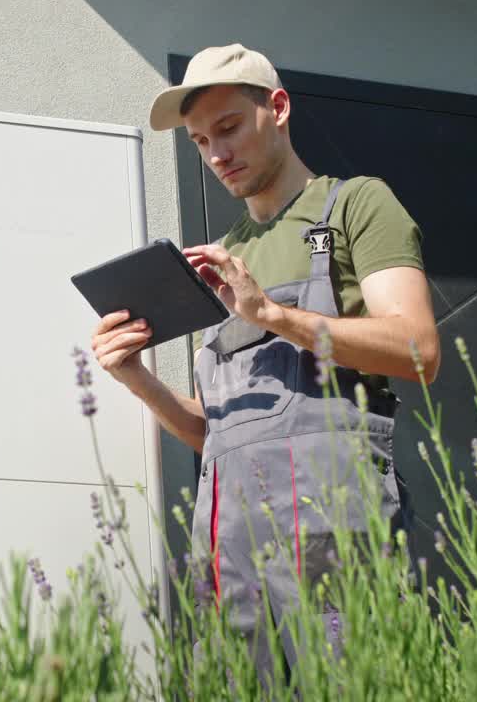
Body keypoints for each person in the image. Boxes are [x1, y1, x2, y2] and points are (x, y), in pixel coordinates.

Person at [90, 43, 441, 682]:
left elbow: (418, 350)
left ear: (277, 108)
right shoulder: (219, 256)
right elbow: (214, 430)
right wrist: (136, 378)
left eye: (228, 128)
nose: (217, 153)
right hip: (229, 536)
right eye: (200, 141)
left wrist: (273, 315)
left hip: (330, 518)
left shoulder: (353, 206)